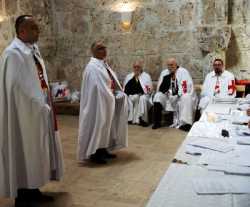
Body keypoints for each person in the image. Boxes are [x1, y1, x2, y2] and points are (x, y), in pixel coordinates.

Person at [0, 15, 64, 207]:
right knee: (24, 150)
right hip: (22, 115)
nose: (38, 31)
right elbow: (16, 88)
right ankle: (23, 195)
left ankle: (33, 188)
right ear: (22, 32)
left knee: (36, 151)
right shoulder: (13, 54)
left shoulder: (32, 50)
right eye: (34, 28)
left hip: (38, 109)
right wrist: (38, 104)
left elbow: (37, 79)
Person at [78, 41, 128, 165]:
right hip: (97, 104)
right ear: (93, 52)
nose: (104, 50)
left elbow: (109, 82)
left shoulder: (103, 65)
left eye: (104, 47)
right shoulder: (92, 67)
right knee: (98, 125)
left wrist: (117, 93)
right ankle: (95, 152)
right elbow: (97, 87)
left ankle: (103, 149)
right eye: (100, 48)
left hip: (106, 101)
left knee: (107, 127)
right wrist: (110, 95)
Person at [152, 58, 197, 131]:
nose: (170, 67)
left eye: (172, 65)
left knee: (187, 97)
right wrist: (168, 93)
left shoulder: (183, 72)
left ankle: (186, 124)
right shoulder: (164, 72)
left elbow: (186, 87)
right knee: (158, 96)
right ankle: (157, 122)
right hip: (168, 97)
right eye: (168, 65)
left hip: (180, 96)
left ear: (176, 65)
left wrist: (177, 95)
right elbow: (160, 87)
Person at [123, 60, 153, 126]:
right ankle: (130, 119)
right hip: (131, 96)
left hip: (143, 95)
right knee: (126, 98)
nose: (136, 68)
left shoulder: (146, 76)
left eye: (138, 67)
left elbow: (149, 90)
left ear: (141, 67)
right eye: (135, 67)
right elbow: (125, 89)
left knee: (142, 98)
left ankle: (143, 119)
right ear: (133, 67)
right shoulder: (129, 76)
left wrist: (141, 93)